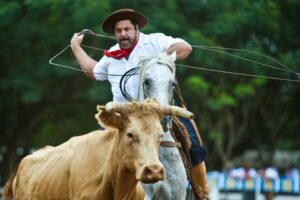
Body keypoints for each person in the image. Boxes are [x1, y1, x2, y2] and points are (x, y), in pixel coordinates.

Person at [70, 8, 209, 199]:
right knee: (97, 158)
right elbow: (93, 72)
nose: (123, 34)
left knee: (190, 138)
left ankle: (202, 191)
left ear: (136, 28)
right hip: (123, 119)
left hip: (158, 112)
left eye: (127, 29)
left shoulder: (154, 41)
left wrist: (157, 60)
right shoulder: (112, 54)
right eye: (118, 31)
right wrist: (76, 48)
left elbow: (185, 48)